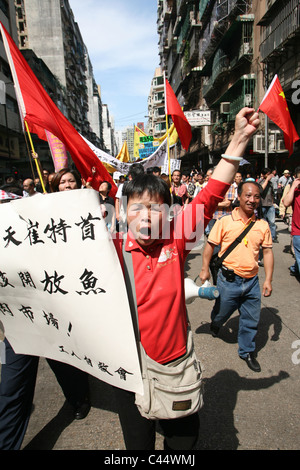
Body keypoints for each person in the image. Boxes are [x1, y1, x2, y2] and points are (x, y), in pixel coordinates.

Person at [112, 107, 260, 450]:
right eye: (137, 206)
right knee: (138, 445)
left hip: (176, 364)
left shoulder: (175, 240)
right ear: (122, 212)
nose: (146, 215)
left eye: (154, 207)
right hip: (129, 370)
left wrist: (239, 139)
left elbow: (209, 194)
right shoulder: (111, 251)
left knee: (184, 440)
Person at [0, 167, 91, 450]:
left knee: (66, 366)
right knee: (8, 388)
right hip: (15, 324)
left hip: (53, 314)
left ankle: (79, 399)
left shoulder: (47, 225)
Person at [199, 181, 273, 373]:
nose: (252, 200)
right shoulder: (225, 221)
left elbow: (267, 253)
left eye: (256, 196)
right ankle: (216, 323)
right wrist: (204, 268)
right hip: (228, 281)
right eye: (248, 195)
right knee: (222, 312)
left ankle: (247, 351)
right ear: (239, 197)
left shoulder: (262, 225)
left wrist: (268, 280)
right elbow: (209, 246)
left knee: (251, 319)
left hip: (252, 282)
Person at [282, 166, 300, 278]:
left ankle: (294, 268)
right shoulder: (295, 191)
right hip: (298, 230)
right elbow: (286, 202)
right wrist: (293, 187)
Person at [115, 164, 144, 231]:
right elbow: (118, 200)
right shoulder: (123, 186)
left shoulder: (144, 186)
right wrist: (117, 214)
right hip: (125, 217)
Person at [258, 168, 278, 242]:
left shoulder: (270, 183)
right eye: (267, 174)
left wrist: (273, 202)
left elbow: (272, 193)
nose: (269, 176)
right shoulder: (260, 182)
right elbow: (261, 190)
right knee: (263, 222)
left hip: (270, 204)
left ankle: (273, 236)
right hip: (262, 204)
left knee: (272, 222)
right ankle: (264, 237)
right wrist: (266, 179)